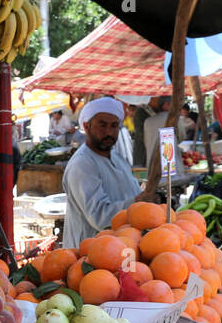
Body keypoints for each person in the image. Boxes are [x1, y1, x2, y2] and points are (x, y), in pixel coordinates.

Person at [61, 97, 157, 248]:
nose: (109, 132)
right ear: (87, 126)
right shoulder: (82, 164)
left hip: (120, 248)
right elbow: (100, 217)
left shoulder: (117, 158)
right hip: (90, 256)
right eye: (102, 125)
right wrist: (138, 202)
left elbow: (131, 192)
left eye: (114, 126)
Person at [132, 95, 170, 169]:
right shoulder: (140, 112)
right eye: (158, 99)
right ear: (151, 99)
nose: (159, 102)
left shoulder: (160, 112)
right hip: (143, 152)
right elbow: (141, 134)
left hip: (159, 151)